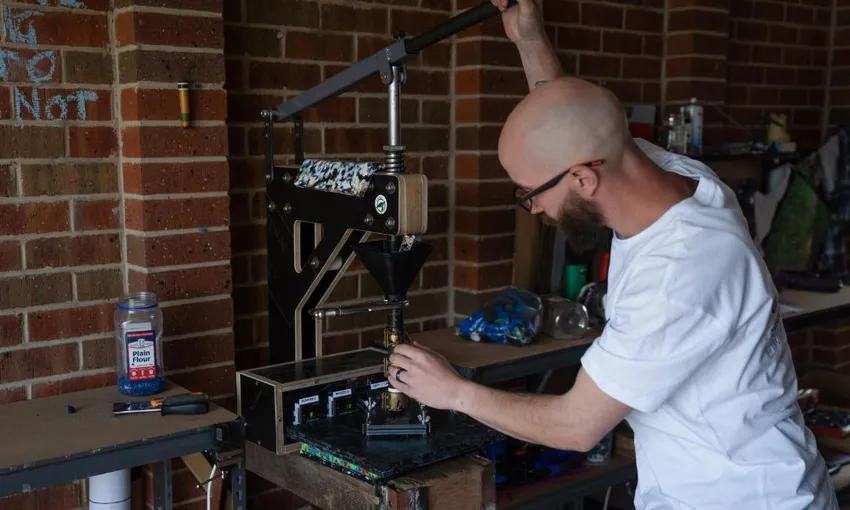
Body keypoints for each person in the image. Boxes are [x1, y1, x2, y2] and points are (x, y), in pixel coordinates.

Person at [387, 0, 839, 508]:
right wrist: (529, 40)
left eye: (529, 192)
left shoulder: (680, 271)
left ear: (584, 177)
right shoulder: (670, 176)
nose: (532, 207)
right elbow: (569, 125)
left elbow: (577, 426)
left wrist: (452, 391)